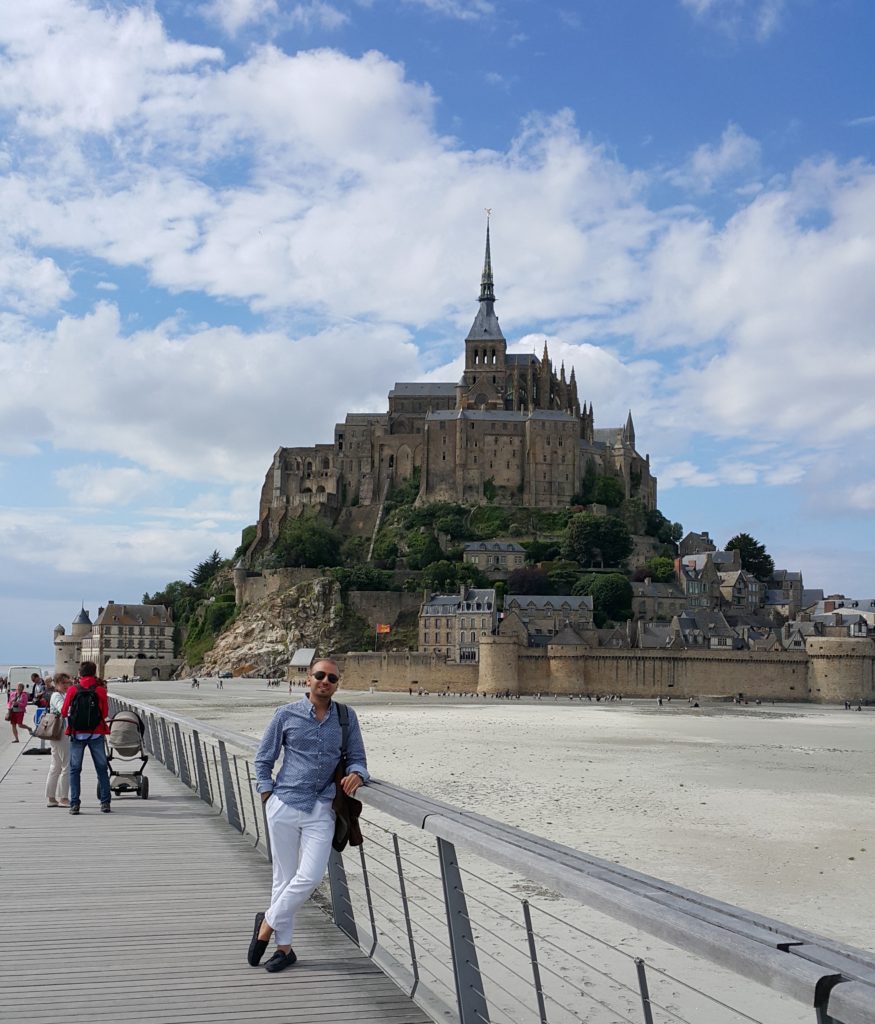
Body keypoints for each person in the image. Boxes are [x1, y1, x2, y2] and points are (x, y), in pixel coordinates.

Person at [249, 658, 368, 973]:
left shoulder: (346, 717)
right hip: (284, 803)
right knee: (283, 879)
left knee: (311, 876)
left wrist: (358, 773)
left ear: (337, 683)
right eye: (319, 675)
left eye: (331, 677)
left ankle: (267, 923)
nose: (325, 681)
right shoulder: (285, 714)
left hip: (322, 808)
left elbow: (357, 757)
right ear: (308, 680)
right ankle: (284, 950)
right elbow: (263, 759)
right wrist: (267, 795)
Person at [61, 661, 112, 815]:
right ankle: (105, 803)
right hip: (96, 733)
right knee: (102, 769)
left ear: (80, 673)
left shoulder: (72, 689)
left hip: (77, 734)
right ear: (94, 673)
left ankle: (75, 804)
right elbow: (104, 713)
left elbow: (64, 712)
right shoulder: (100, 690)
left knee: (75, 770)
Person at [46, 673, 72, 807]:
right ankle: (63, 797)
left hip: (58, 734)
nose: (67, 685)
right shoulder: (57, 696)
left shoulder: (61, 695)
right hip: (62, 733)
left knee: (55, 765)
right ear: (57, 684)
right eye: (64, 683)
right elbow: (64, 710)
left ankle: (51, 797)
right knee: (66, 765)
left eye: (68, 682)